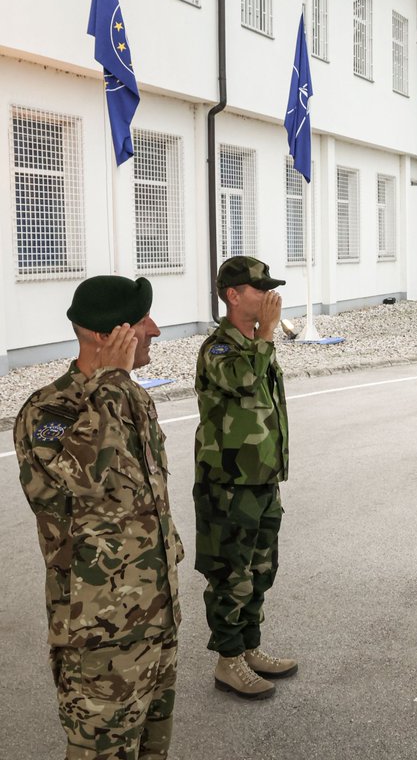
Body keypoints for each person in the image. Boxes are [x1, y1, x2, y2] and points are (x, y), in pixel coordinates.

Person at [14, 275, 183, 758]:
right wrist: (109, 380)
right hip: (97, 635)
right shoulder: (49, 411)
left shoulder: (133, 396)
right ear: (108, 336)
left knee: (153, 746)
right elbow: (82, 475)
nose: (155, 328)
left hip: (156, 618)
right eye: (142, 321)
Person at [194, 256, 297, 700]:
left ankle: (250, 648)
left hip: (260, 480)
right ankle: (228, 660)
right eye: (260, 289)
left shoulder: (255, 344)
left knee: (259, 569)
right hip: (229, 485)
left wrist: (265, 337)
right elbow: (243, 381)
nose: (270, 297)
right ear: (234, 295)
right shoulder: (219, 348)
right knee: (230, 573)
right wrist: (268, 335)